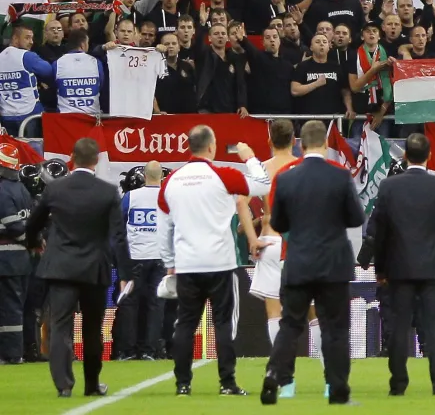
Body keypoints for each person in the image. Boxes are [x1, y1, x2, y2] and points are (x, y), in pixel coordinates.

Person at [158, 126, 270, 397]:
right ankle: (227, 383)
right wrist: (250, 156)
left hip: (187, 264)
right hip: (220, 263)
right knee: (224, 324)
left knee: (185, 324)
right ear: (211, 147)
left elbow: (165, 226)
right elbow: (263, 184)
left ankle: (182, 384)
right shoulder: (223, 175)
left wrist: (169, 262)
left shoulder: (171, 180)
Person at [259, 119, 363, 406]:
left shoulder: (286, 176)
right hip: (333, 264)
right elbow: (356, 218)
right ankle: (338, 389)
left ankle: (274, 375)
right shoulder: (340, 174)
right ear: (326, 144)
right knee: (335, 328)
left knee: (290, 325)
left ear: (300, 144)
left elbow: (278, 222)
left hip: (298, 261)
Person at [25, 137, 125, 397]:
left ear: (72, 156)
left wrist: (34, 242)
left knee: (60, 326)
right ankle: (92, 385)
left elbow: (33, 224)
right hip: (95, 268)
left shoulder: (55, 189)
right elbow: (119, 235)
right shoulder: (107, 191)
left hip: (60, 267)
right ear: (97, 160)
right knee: (93, 328)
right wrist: (125, 272)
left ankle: (64, 386)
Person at [370, 133, 435, 397]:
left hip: (399, 268)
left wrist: (381, 269)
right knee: (434, 326)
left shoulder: (389, 187)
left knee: (398, 326)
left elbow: (381, 232)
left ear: (405, 156)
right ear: (429, 156)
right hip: (433, 268)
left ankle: (398, 385)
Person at [248, 119, 298, 383]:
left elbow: (241, 203)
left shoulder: (263, 170)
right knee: (314, 312)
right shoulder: (302, 168)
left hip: (269, 240)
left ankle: (283, 372)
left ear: (269, 141)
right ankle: (328, 379)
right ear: (294, 139)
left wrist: (250, 237)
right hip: (299, 243)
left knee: (274, 313)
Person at [116, 160, 165, 363]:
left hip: (135, 257)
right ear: (161, 177)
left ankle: (127, 350)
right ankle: (149, 350)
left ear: (144, 176)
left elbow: (118, 226)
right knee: (156, 304)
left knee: (129, 303)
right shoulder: (168, 198)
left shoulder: (131, 196)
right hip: (160, 257)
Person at [0, 140, 32, 365]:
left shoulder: (2, 190)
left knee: (9, 309)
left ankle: (11, 355)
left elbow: (13, 226)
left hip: (6, 259)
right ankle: (15, 352)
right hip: (22, 259)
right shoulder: (22, 189)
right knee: (16, 308)